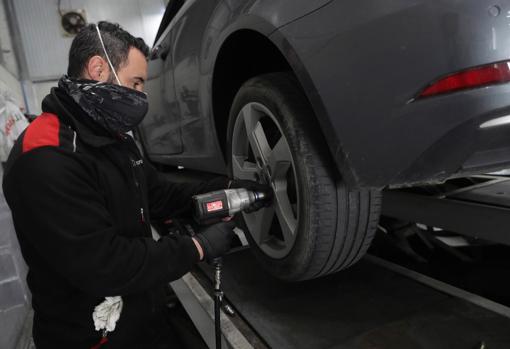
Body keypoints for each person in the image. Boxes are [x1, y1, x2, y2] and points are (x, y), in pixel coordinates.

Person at [2, 21, 266, 348]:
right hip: (91, 338)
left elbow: (157, 195)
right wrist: (198, 247)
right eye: (136, 82)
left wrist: (226, 186)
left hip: (143, 314)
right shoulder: (44, 158)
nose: (141, 97)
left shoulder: (109, 136)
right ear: (99, 68)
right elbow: (106, 264)